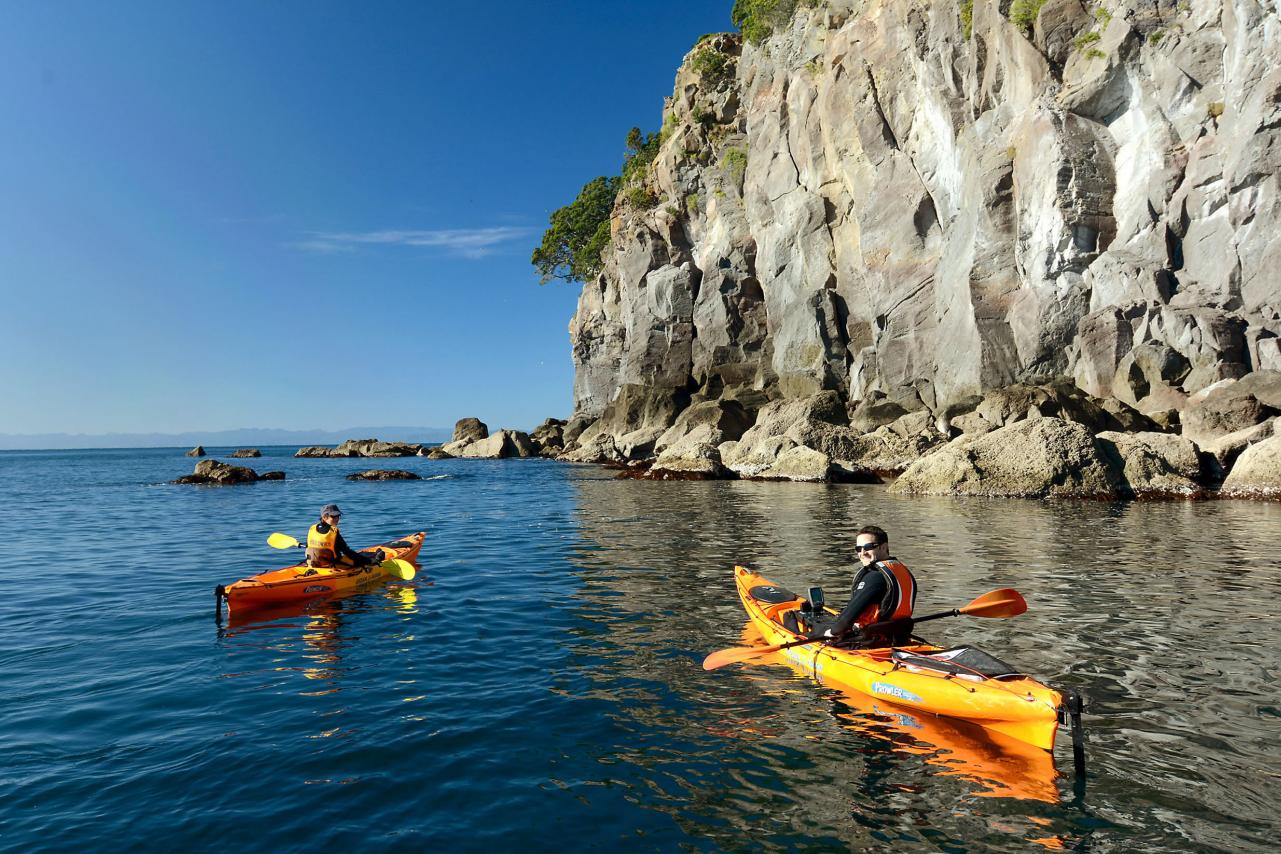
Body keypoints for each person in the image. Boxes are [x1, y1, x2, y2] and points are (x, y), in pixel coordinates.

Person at [811, 525, 918, 648]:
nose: (862, 553)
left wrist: (831, 632)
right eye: (858, 548)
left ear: (884, 547)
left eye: (868, 547)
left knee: (815, 628)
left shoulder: (875, 577)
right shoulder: (903, 571)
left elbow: (844, 622)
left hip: (870, 641)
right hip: (898, 637)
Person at [305, 504, 381, 569]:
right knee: (358, 557)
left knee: (358, 555)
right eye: (333, 516)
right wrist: (370, 561)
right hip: (335, 565)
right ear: (324, 517)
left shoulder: (312, 529)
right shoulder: (333, 532)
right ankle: (376, 556)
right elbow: (347, 552)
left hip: (314, 565)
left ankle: (375, 554)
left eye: (338, 516)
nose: (337, 519)